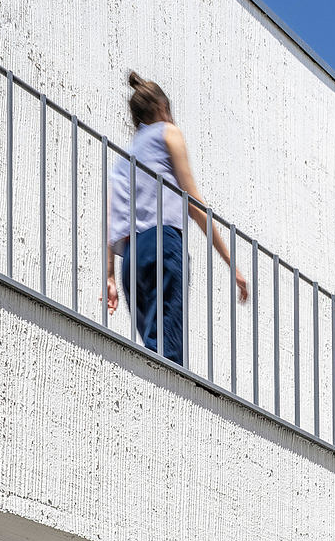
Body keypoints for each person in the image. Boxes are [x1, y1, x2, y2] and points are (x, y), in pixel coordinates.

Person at [106, 71, 248, 364]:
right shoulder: (169, 133)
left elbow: (110, 219)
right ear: (163, 109)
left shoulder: (124, 159)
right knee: (169, 351)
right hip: (163, 243)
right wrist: (230, 261)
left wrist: (109, 275)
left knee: (152, 346)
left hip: (131, 257)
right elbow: (193, 201)